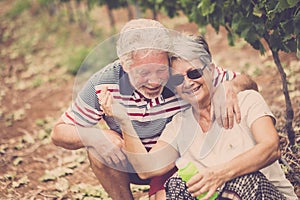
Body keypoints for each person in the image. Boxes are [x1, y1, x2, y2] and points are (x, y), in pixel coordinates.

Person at [51, 19, 258, 199]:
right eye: (143, 73)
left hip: (181, 159)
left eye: (161, 70)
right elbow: (59, 132)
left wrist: (231, 86)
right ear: (124, 65)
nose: (154, 81)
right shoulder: (103, 84)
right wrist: (94, 136)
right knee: (98, 149)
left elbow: (246, 81)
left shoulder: (180, 75)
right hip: (134, 163)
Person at [99, 34, 297, 199]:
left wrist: (219, 174)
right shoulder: (180, 123)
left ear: (210, 70)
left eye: (194, 73)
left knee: (244, 179)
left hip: (265, 194)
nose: (187, 83)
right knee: (177, 185)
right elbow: (147, 169)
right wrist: (124, 120)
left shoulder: (246, 100)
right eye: (177, 79)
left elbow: (271, 148)